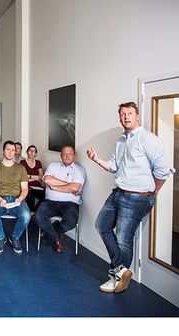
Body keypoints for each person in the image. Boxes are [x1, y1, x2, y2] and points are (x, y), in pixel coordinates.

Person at [87, 101, 175, 293]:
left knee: (123, 238)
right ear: (119, 117)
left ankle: (118, 279)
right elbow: (114, 166)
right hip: (119, 192)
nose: (126, 116)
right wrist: (97, 159)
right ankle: (121, 270)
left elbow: (163, 171)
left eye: (130, 113)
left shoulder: (148, 139)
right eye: (122, 114)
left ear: (137, 116)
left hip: (137, 197)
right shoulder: (121, 140)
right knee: (102, 225)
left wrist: (153, 192)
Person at [35, 145, 86, 253]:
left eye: (70, 154)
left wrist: (56, 187)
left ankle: (50, 232)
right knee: (38, 216)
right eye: (65, 154)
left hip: (70, 204)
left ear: (74, 156)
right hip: (50, 202)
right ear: (61, 155)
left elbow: (75, 187)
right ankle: (56, 238)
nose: (67, 156)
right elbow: (48, 180)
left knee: (71, 221)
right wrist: (68, 185)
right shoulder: (53, 166)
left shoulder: (79, 169)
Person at [0, 140, 31, 253]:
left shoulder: (21, 168)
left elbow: (25, 189)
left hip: (17, 199)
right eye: (8, 149)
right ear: (3, 151)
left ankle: (15, 237)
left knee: (26, 216)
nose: (11, 152)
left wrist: (20, 199)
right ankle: (1, 238)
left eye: (13, 150)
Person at [20, 145, 44, 212]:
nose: (32, 152)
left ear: (35, 154)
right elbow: (23, 177)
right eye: (30, 150)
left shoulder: (38, 163)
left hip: (38, 187)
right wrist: (36, 177)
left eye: (34, 151)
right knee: (30, 195)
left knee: (46, 196)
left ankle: (34, 211)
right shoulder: (22, 162)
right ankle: (31, 211)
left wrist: (29, 176)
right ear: (27, 152)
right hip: (27, 186)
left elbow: (41, 177)